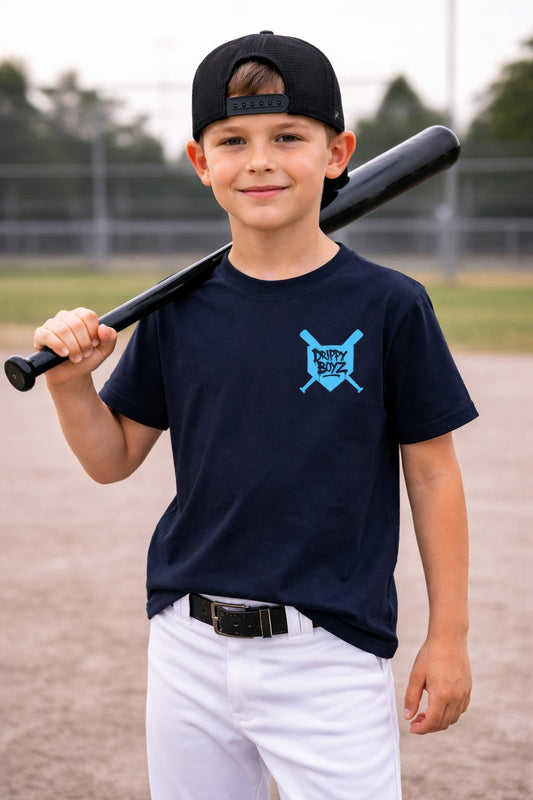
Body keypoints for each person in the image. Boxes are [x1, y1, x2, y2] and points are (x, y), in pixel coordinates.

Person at [34, 31, 478, 800]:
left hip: (330, 650)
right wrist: (72, 385)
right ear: (201, 163)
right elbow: (112, 460)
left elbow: (433, 473)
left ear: (336, 153)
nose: (261, 160)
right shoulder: (178, 313)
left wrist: (449, 635)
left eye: (288, 137)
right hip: (188, 644)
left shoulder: (387, 305)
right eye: (232, 140)